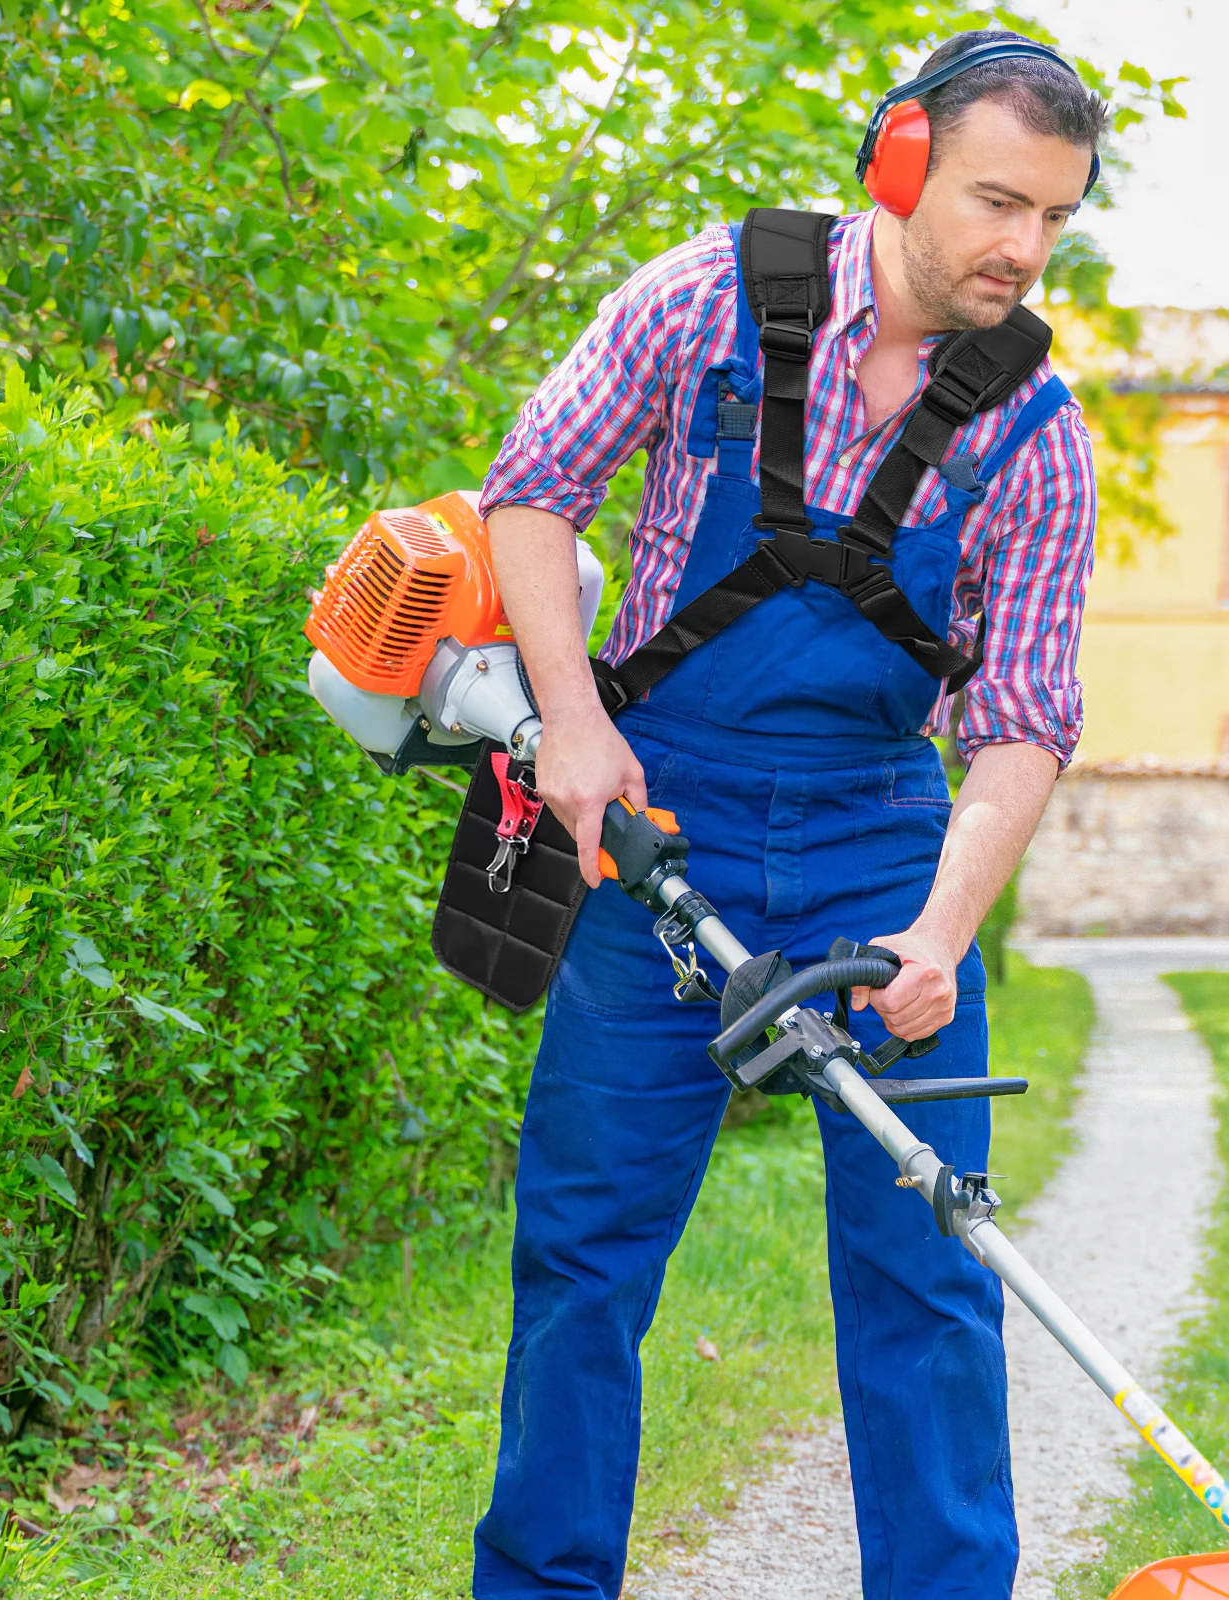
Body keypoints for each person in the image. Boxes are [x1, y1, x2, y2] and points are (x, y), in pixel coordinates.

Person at [472, 28, 1104, 1599]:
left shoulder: (1036, 434)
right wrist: (572, 721)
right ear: (901, 162)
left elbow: (1021, 723)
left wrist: (940, 936)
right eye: (996, 202)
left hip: (883, 838)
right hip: (655, 816)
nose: (1023, 248)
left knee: (928, 1264)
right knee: (583, 1258)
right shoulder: (704, 300)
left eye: (1055, 219)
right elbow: (532, 491)